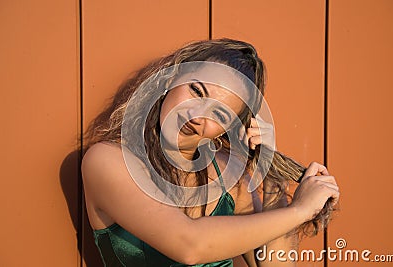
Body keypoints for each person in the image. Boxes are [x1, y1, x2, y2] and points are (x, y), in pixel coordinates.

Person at [82, 39, 339, 267]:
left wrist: (270, 171)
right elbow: (189, 246)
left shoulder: (230, 178)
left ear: (227, 128)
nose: (196, 115)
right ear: (171, 80)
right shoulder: (107, 161)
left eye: (218, 114)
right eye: (196, 91)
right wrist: (301, 210)